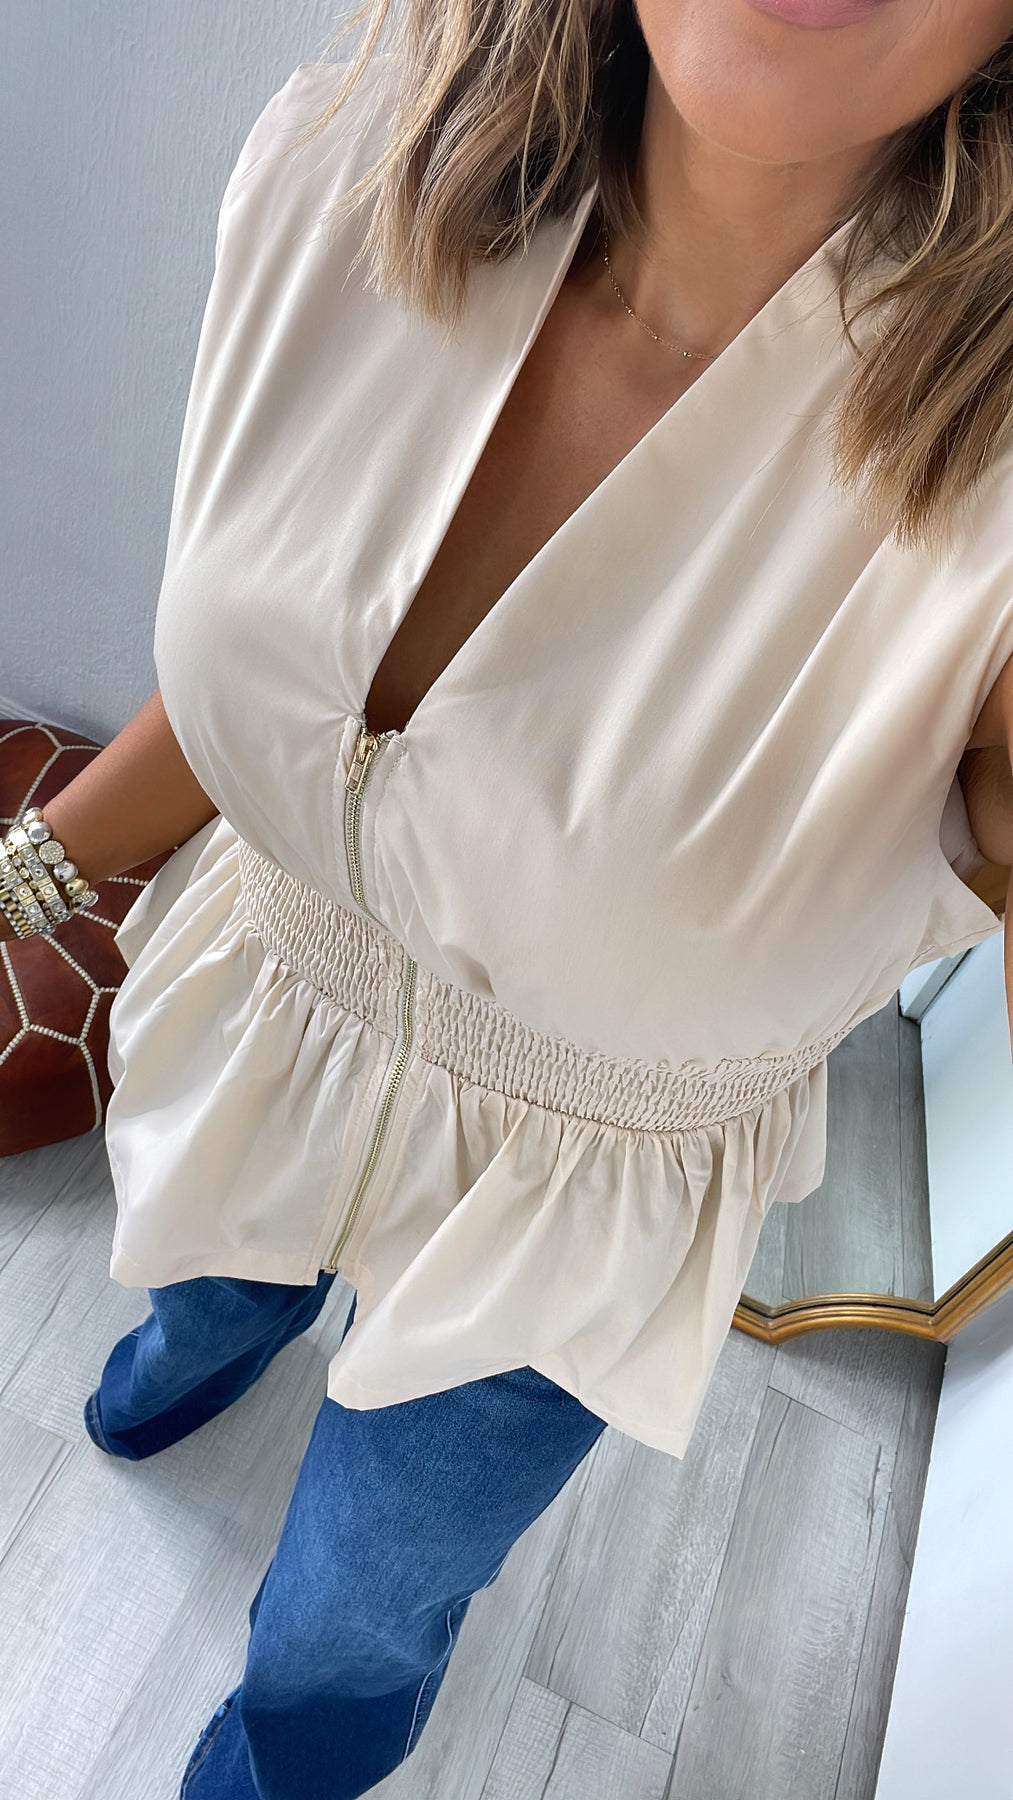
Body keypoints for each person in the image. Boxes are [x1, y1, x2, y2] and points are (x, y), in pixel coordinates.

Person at [6, 0, 1013, 1794]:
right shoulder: (334, 175)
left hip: (580, 1213)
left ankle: (292, 1761)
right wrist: (25, 886)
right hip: (260, 1007)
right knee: (199, 1277)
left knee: (360, 1599)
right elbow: (265, 694)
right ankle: (201, 1345)